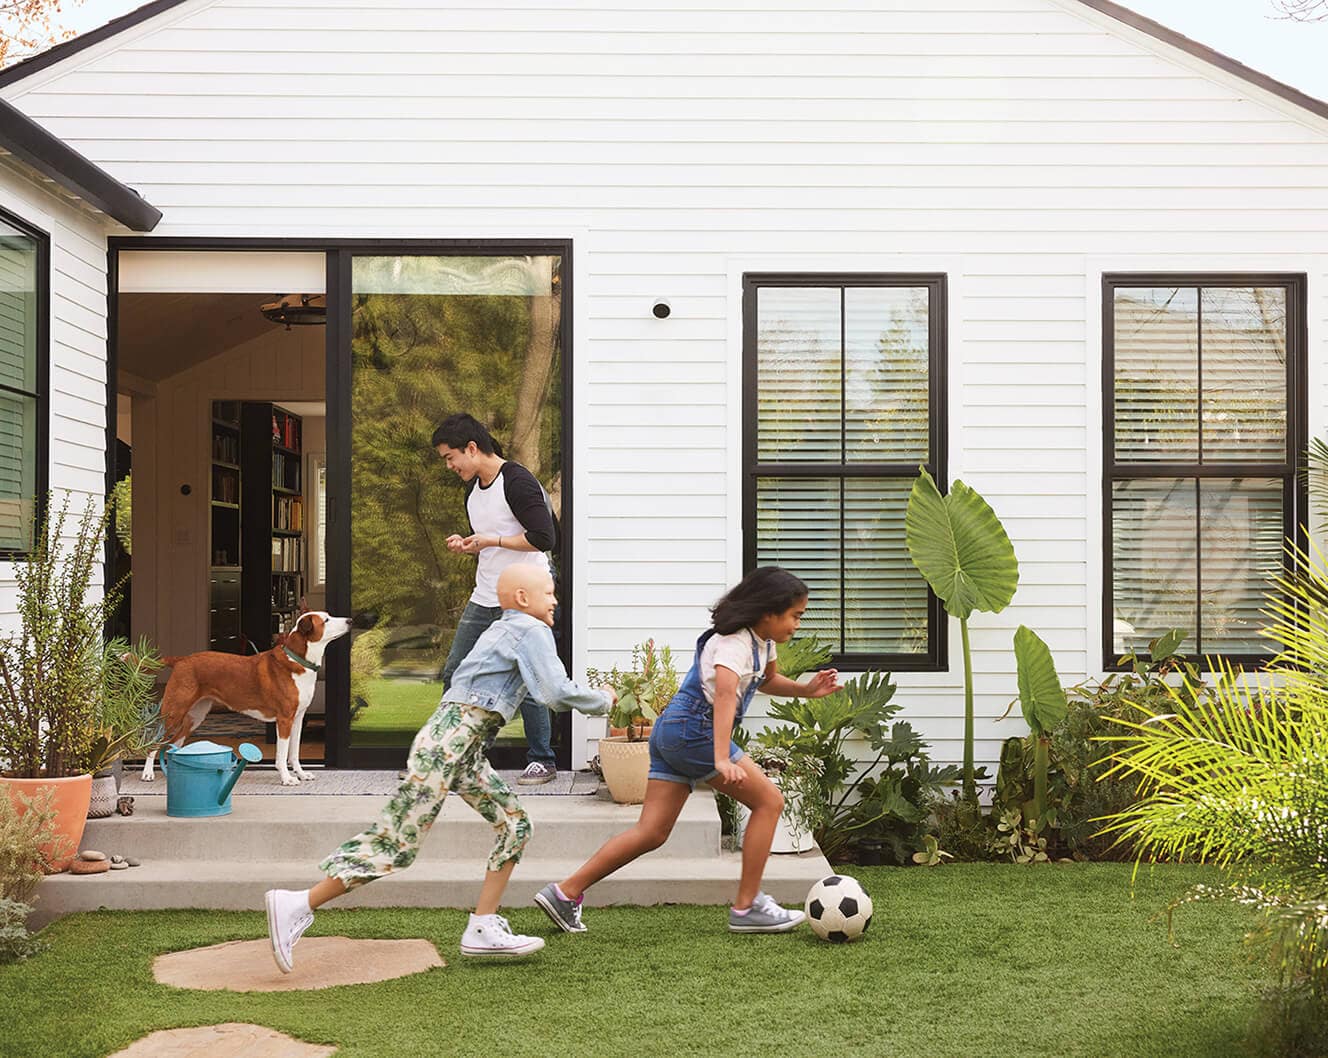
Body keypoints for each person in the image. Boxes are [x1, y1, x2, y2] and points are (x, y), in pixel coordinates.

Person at [264, 564, 615, 969]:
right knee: (397, 846)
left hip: (458, 747)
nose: (555, 599)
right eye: (549, 592)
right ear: (522, 598)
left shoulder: (502, 629)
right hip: (447, 746)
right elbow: (553, 691)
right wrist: (603, 699)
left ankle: (482, 926)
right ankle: (297, 904)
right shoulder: (529, 630)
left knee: (515, 823)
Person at [534, 566, 840, 936]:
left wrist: (807, 690)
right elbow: (726, 693)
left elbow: (769, 680)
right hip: (696, 729)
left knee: (652, 831)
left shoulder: (763, 642)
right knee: (770, 802)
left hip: (673, 730)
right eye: (795, 615)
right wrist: (721, 758)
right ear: (769, 612)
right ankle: (747, 907)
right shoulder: (734, 642)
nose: (797, 624)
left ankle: (565, 892)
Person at [433, 412, 563, 785]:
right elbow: (493, 541)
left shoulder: (517, 482)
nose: (450, 465)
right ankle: (450, 755)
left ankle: (543, 759)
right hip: (486, 592)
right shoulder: (473, 492)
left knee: (529, 674)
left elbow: (544, 538)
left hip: (526, 593)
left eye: (450, 456)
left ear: (471, 448)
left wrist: (490, 540)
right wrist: (470, 544)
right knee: (457, 671)